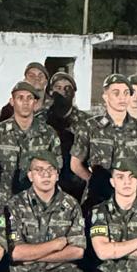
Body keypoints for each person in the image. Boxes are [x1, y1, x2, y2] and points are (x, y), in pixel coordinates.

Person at [70, 73, 137, 208]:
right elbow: (75, 164)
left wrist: (132, 181)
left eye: (126, 93)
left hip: (131, 198)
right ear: (105, 97)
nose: (122, 97)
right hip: (98, 197)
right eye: (116, 93)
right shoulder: (89, 127)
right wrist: (95, 181)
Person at [0, 81, 63, 202]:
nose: (25, 102)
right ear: (12, 102)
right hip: (6, 199)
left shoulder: (48, 133)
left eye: (29, 98)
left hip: (38, 200)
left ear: (35, 103)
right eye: (20, 98)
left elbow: (57, 166)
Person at [45, 71, 87, 199]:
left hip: (77, 188)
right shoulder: (41, 120)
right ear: (50, 92)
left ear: (74, 93)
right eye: (58, 88)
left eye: (68, 88)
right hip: (46, 185)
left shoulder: (86, 122)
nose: (63, 92)